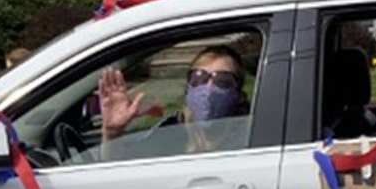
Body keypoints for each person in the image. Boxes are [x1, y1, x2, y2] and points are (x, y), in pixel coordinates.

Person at [88, 44, 253, 162]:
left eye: (222, 81)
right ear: (188, 88)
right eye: (198, 77)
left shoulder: (253, 132)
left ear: (239, 95)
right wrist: (112, 133)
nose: (208, 89)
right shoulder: (172, 131)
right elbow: (120, 167)